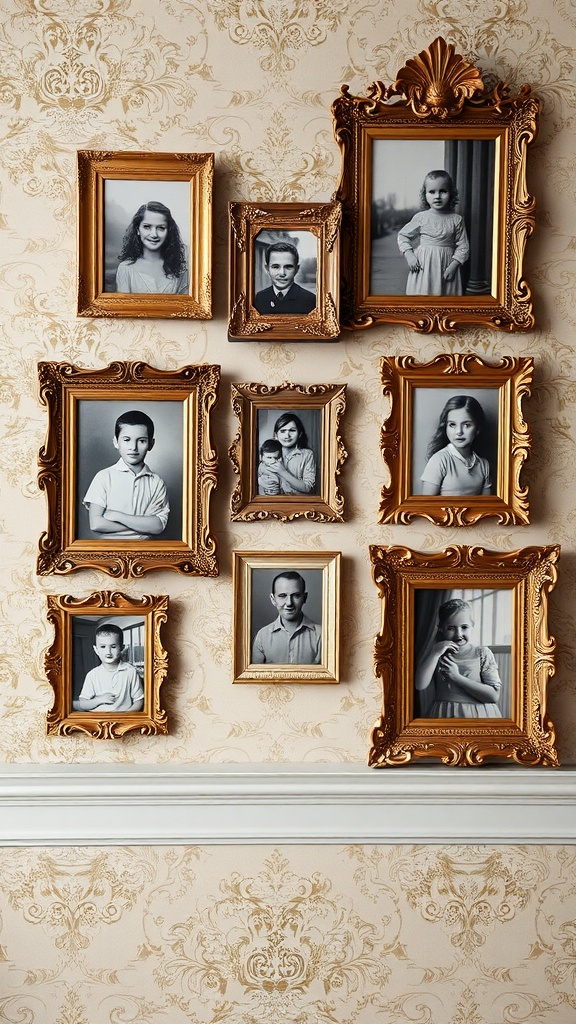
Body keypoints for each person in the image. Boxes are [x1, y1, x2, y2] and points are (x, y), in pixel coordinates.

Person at [83, 410, 169, 539]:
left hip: (145, 554)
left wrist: (118, 516)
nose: (133, 447)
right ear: (116, 442)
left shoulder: (157, 483)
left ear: (151, 444)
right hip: (108, 555)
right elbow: (96, 524)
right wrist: (142, 525)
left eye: (141, 441)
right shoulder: (104, 477)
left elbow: (157, 527)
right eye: (127, 440)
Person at [415, 598, 502, 718]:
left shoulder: (482, 653)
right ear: (440, 628)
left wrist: (457, 678)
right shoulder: (437, 653)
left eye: (464, 627)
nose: (458, 634)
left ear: (472, 626)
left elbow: (493, 696)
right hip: (445, 715)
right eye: (451, 628)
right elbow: (420, 685)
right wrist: (434, 654)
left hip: (478, 715)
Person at [397, 170, 469, 295]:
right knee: (423, 294)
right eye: (432, 192)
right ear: (425, 194)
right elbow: (403, 236)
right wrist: (409, 255)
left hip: (447, 265)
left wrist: (454, 265)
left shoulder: (456, 219)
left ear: (451, 193)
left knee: (445, 299)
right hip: (424, 266)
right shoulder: (421, 217)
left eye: (443, 191)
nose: (437, 196)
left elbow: (463, 246)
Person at [420, 395, 491, 496]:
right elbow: (425, 507)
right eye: (452, 425)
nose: (459, 432)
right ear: (445, 427)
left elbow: (487, 507)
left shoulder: (483, 464)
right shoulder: (439, 461)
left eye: (466, 425)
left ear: (477, 429)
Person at [115, 201, 189, 294]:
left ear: (169, 231)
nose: (154, 234)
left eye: (161, 228)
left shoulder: (180, 270)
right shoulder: (125, 269)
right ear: (138, 229)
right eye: (147, 227)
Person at [252, 571, 322, 665]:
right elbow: (255, 678)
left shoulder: (321, 635)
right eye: (282, 596)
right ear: (273, 599)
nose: (289, 603)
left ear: (304, 598)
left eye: (296, 595)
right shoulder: (262, 636)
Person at [75, 623, 144, 713]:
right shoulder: (92, 675)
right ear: (96, 650)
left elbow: (139, 700)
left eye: (113, 646)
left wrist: (126, 716)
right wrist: (100, 699)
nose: (108, 652)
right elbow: (83, 704)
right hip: (98, 720)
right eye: (103, 647)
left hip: (123, 719)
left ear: (122, 648)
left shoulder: (130, 671)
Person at [253, 242, 316, 314]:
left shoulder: (309, 300)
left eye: (288, 267)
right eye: (275, 267)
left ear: (297, 269)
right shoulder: (260, 297)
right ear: (267, 269)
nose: (282, 273)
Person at [265, 412, 316, 495]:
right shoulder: (270, 454)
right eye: (283, 431)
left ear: (300, 434)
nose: (287, 435)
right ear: (276, 435)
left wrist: (283, 472)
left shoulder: (307, 454)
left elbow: (308, 487)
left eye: (292, 430)